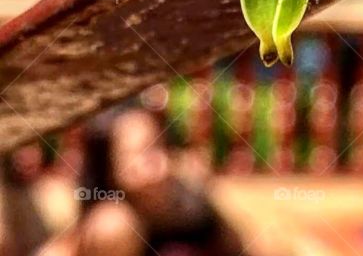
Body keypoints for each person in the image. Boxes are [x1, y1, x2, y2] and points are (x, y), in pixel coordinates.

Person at [38, 106, 243, 256]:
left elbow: (237, 245)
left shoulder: (191, 203)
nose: (156, 161)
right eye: (141, 152)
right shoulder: (111, 225)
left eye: (158, 145)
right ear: (112, 169)